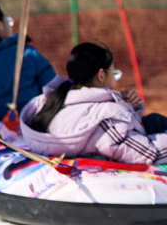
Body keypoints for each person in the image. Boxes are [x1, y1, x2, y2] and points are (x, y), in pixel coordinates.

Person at [21, 42, 167, 164]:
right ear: (101, 75)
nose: (116, 80)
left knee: (153, 120)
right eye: (114, 74)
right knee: (157, 122)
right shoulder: (102, 120)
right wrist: (117, 111)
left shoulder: (49, 105)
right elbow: (148, 154)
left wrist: (126, 106)